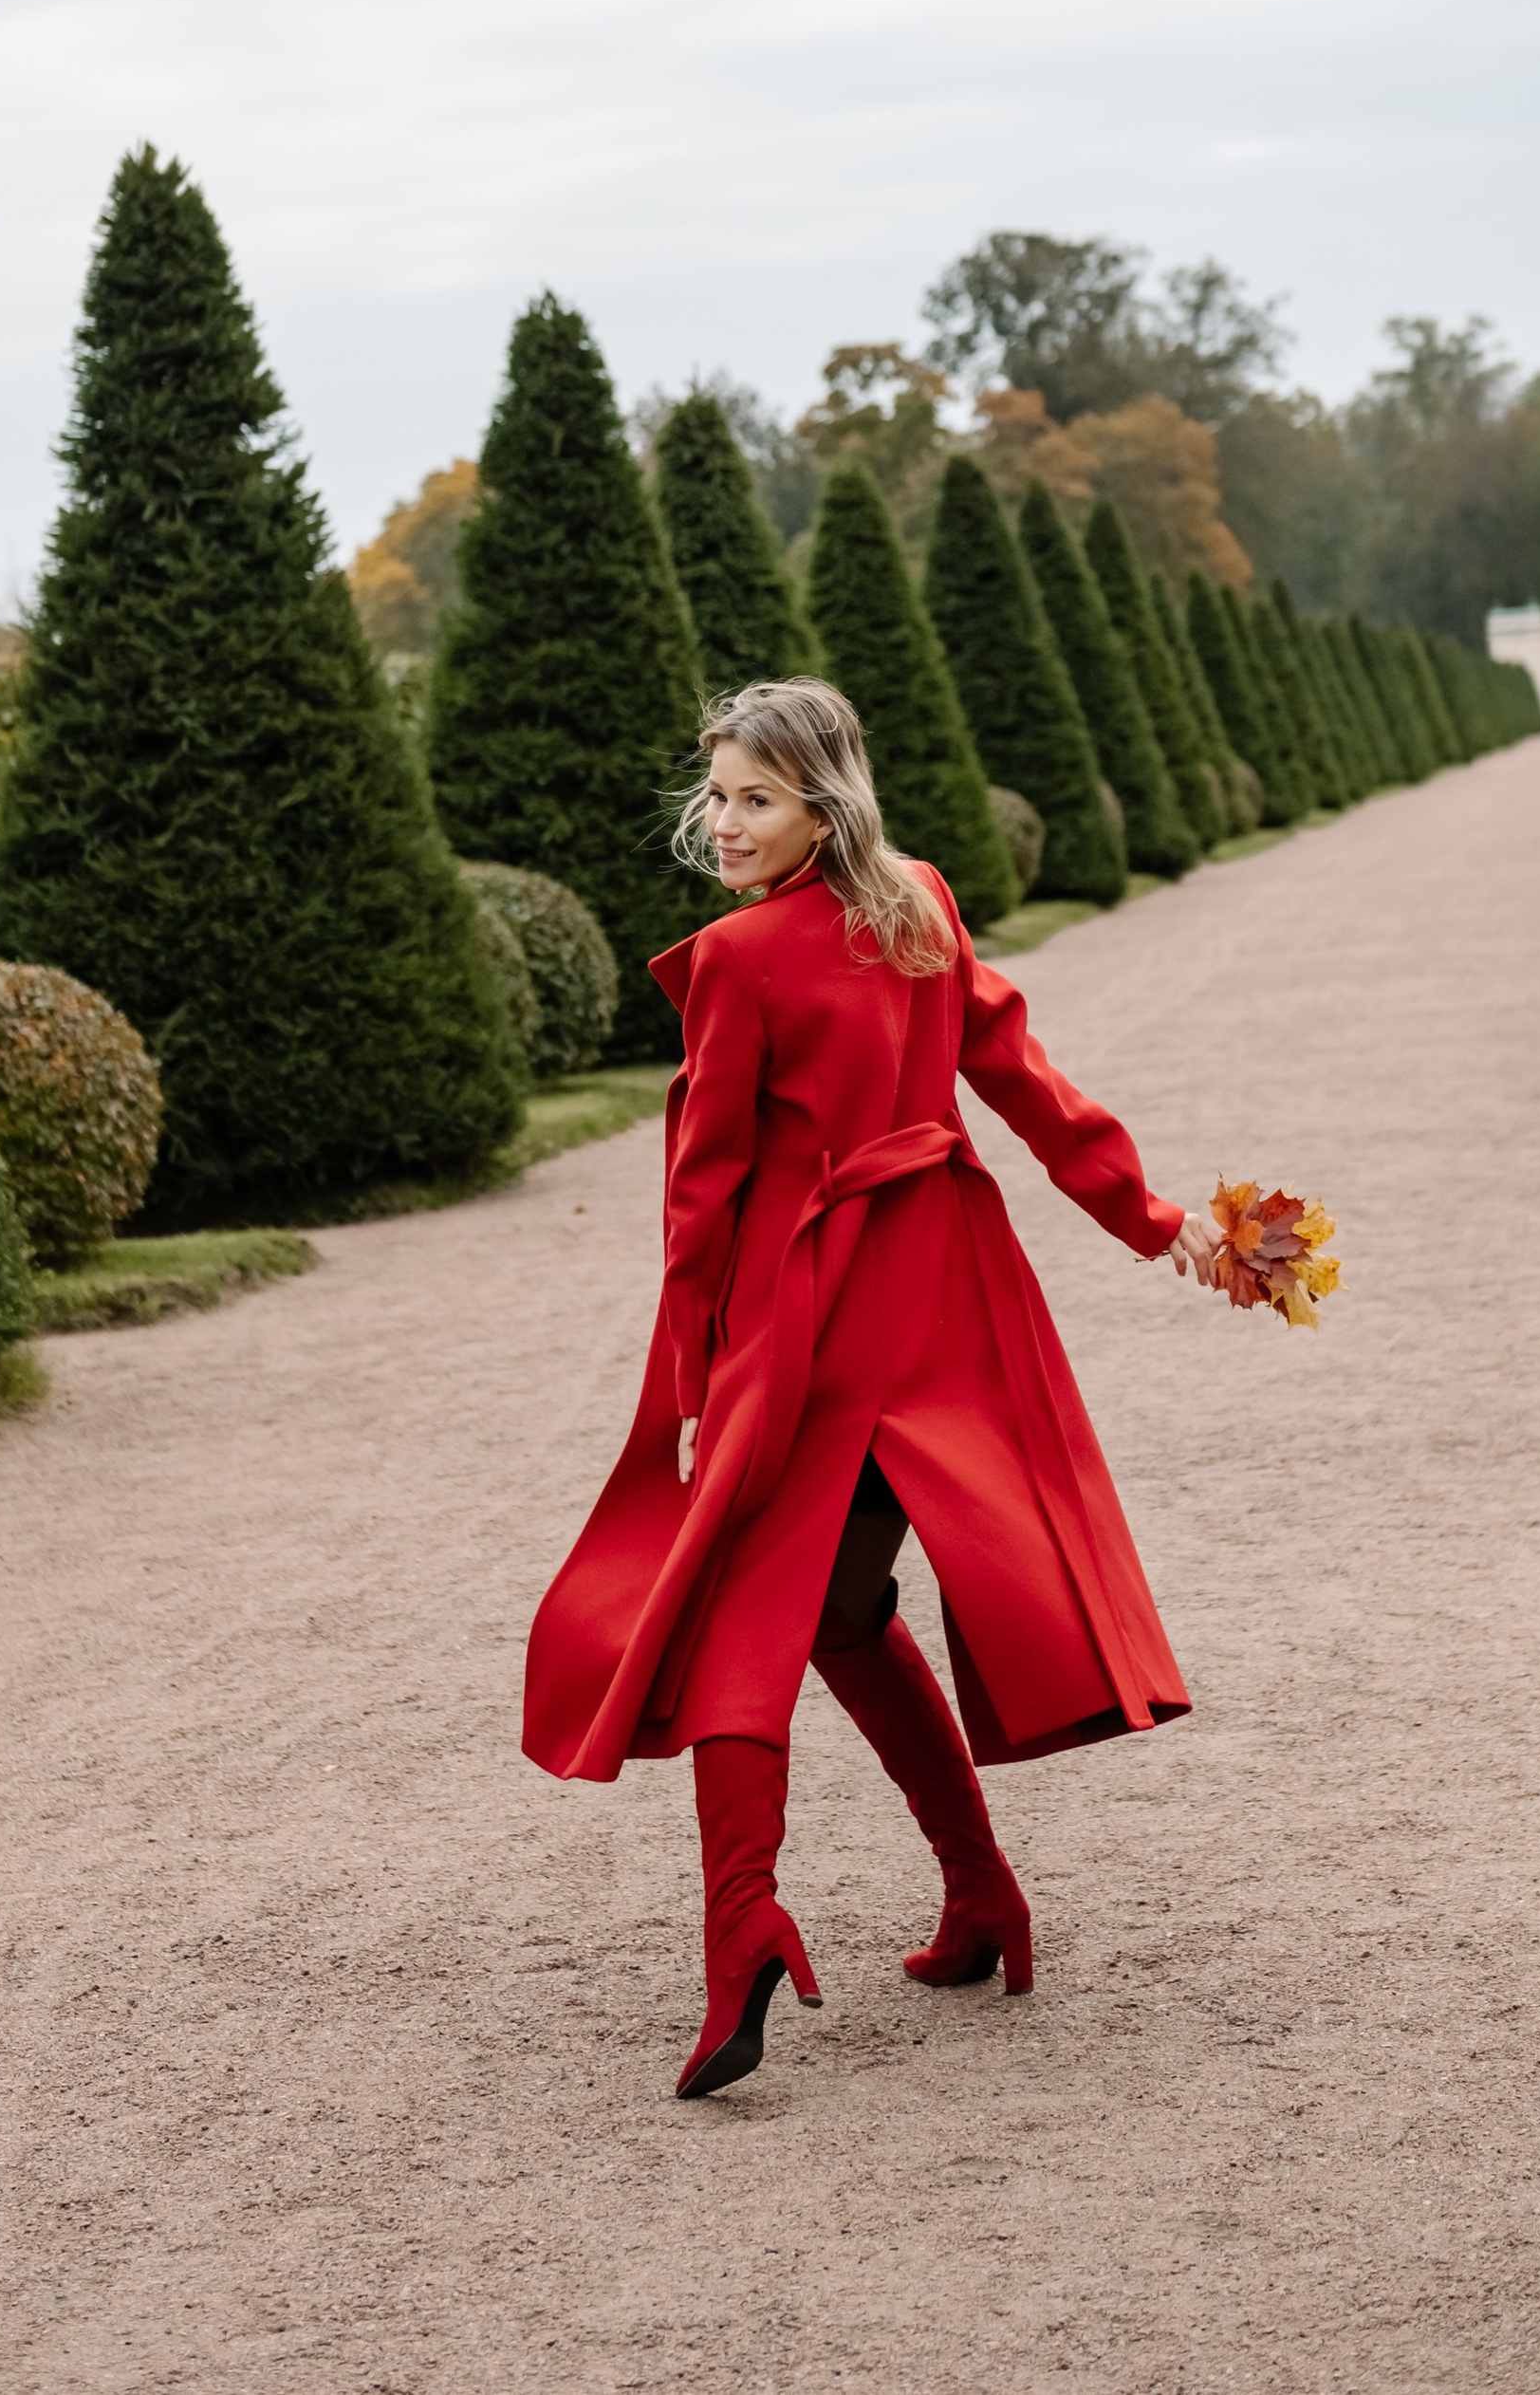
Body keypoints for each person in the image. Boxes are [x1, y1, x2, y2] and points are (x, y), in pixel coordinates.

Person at [522, 676, 1219, 2099]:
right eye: (716, 795)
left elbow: (701, 1195)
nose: (724, 823)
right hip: (950, 1294)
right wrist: (1154, 1219)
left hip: (821, 1314)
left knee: (741, 1606)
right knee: (840, 1611)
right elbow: (1029, 1088)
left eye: (755, 799)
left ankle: (746, 1938)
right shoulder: (924, 903)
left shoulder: (741, 960)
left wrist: (694, 1380)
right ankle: (980, 1896)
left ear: (819, 804)